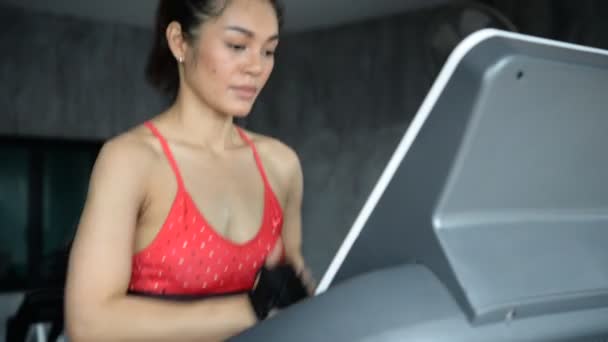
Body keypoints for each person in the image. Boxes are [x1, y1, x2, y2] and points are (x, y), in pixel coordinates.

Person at [64, 0, 314, 340]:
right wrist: (248, 308)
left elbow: (293, 303)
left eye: (269, 51)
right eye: (237, 46)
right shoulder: (130, 161)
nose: (256, 67)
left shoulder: (281, 165)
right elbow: (89, 324)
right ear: (179, 41)